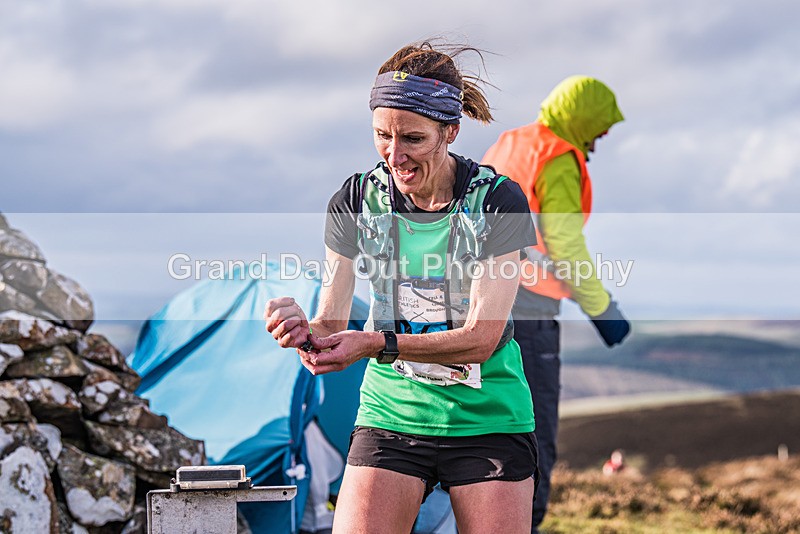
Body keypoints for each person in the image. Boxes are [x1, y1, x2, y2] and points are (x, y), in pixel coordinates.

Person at [264, 41, 539, 533]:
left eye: (412, 138)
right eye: (382, 135)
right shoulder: (354, 200)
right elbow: (331, 318)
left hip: (489, 419)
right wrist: (304, 333)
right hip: (391, 413)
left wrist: (374, 342)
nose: (395, 155)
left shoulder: (498, 201)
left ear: (451, 130)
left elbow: (482, 337)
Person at [482, 75, 631, 532]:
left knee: (482, 428)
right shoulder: (557, 159)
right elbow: (564, 246)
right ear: (581, 118)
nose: (602, 136)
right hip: (528, 312)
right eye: (600, 126)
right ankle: (525, 524)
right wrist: (604, 311)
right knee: (532, 431)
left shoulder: (510, 144)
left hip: (479, 303)